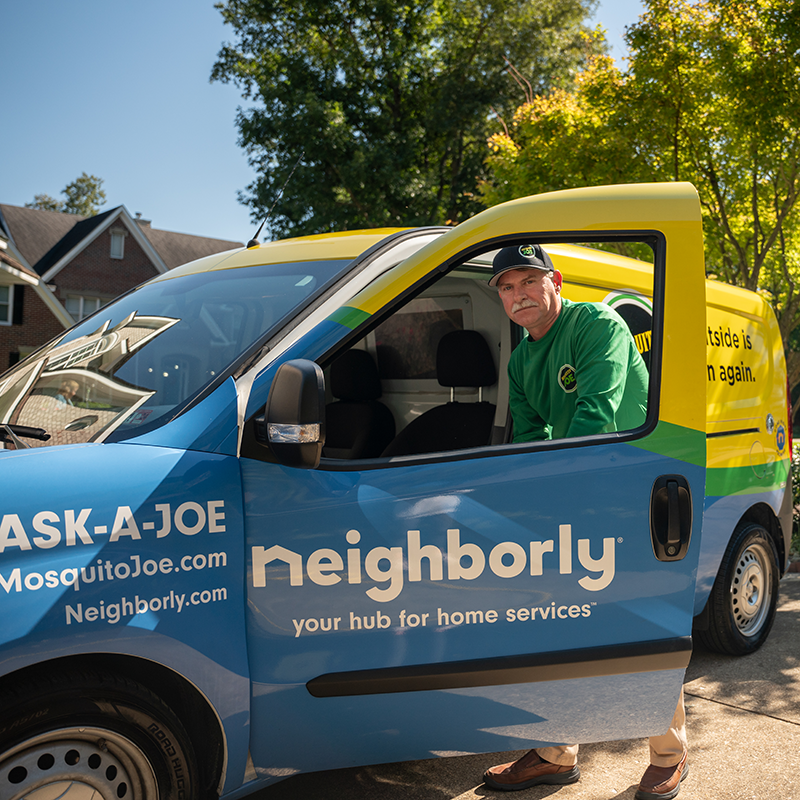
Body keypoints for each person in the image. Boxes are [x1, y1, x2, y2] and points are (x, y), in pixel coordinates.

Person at [482, 244, 688, 800]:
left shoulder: (595, 324)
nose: (518, 295)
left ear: (555, 281)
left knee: (640, 628)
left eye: (528, 281)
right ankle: (555, 753)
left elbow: (595, 416)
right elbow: (529, 441)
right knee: (561, 627)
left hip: (631, 495)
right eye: (506, 287)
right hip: (576, 500)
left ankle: (669, 755)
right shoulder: (522, 359)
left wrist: (555, 496)